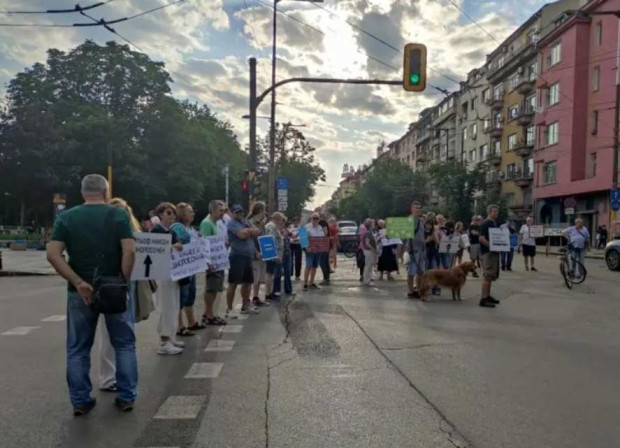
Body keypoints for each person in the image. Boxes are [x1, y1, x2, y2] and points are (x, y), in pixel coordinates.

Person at [46, 174, 137, 415]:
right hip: (113, 287)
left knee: (78, 348)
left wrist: (77, 281)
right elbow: (129, 250)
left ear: (82, 192)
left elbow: (53, 254)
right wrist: (122, 280)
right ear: (106, 192)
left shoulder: (67, 218)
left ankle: (80, 400)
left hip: (80, 290)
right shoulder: (117, 215)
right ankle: (126, 396)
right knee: (124, 344)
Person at [97, 197, 154, 395]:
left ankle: (116, 377)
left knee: (121, 335)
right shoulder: (112, 235)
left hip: (123, 285)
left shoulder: (133, 234)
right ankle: (110, 378)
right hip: (114, 286)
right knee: (114, 336)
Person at [151, 203, 185, 355]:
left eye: (173, 214)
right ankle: (164, 340)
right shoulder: (156, 231)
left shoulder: (170, 230)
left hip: (173, 273)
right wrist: (172, 247)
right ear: (160, 214)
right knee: (165, 306)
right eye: (168, 213)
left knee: (173, 305)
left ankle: (170, 336)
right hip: (162, 273)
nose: (172, 216)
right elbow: (155, 250)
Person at [171, 203, 204, 335]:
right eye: (189, 211)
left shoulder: (190, 228)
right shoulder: (177, 227)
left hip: (191, 267)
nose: (193, 214)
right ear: (182, 214)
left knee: (190, 294)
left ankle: (191, 322)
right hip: (182, 267)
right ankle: (180, 325)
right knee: (181, 295)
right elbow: (179, 243)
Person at [226, 204, 261, 316]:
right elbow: (242, 235)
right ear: (232, 213)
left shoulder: (246, 221)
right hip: (237, 256)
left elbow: (257, 231)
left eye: (240, 212)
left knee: (248, 282)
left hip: (248, 256)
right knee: (233, 283)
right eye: (236, 212)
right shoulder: (232, 223)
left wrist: (248, 231)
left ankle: (245, 305)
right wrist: (249, 231)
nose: (239, 214)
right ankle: (229, 309)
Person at [199, 199, 228, 326]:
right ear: (213, 210)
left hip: (218, 261)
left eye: (224, 210)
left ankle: (208, 313)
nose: (223, 213)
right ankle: (209, 315)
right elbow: (204, 242)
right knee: (211, 288)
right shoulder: (207, 223)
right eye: (220, 210)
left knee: (215, 288)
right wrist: (207, 262)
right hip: (212, 262)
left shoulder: (216, 223)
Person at [479, 204, 502, 308]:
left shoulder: (494, 223)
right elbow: (481, 238)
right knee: (487, 275)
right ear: (489, 212)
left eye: (497, 211)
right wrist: (491, 246)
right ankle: (483, 299)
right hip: (488, 253)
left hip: (495, 253)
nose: (496, 213)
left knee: (492, 275)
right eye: (494, 211)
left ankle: (487, 296)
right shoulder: (485, 224)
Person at [248, 202, 269, 307]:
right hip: (254, 254)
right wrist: (256, 252)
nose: (265, 212)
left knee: (260, 278)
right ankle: (248, 298)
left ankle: (256, 297)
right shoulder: (251, 223)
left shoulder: (261, 223)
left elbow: (264, 238)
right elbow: (250, 240)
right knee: (254, 277)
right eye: (264, 210)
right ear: (260, 210)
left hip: (263, 254)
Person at [406, 201, 426, 299]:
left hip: (421, 249)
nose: (418, 209)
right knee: (411, 271)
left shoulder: (421, 221)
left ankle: (418, 289)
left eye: (419, 207)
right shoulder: (410, 219)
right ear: (412, 209)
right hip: (413, 249)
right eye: (416, 208)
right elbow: (408, 235)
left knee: (421, 271)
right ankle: (410, 291)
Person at [265, 212, 285, 302]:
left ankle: (270, 292)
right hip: (272, 255)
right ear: (277, 219)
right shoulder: (271, 227)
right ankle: (268, 294)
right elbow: (270, 240)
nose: (281, 222)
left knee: (272, 274)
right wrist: (275, 255)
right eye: (281, 220)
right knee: (270, 274)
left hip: (273, 254)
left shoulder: (273, 226)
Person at [303, 212, 325, 290]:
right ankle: (305, 284)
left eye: (317, 218)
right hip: (310, 250)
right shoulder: (306, 227)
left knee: (315, 266)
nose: (315, 220)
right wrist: (306, 248)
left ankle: (311, 283)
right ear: (311, 218)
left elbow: (322, 237)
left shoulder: (320, 227)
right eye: (314, 218)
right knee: (308, 266)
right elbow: (302, 238)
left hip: (318, 250)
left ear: (319, 219)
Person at [280, 216, 294, 296]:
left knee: (288, 272)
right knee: (278, 273)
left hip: (287, 253)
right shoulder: (277, 231)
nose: (283, 224)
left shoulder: (286, 230)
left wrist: (301, 232)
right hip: (280, 254)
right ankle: (276, 290)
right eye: (282, 222)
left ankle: (288, 290)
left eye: (284, 222)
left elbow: (293, 236)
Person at [361, 219, 377, 286]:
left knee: (369, 265)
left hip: (368, 250)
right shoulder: (368, 233)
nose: (374, 225)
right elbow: (367, 243)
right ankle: (366, 281)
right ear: (370, 225)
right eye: (373, 224)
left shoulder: (369, 232)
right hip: (368, 251)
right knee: (368, 266)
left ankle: (367, 280)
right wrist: (373, 249)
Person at [318, 215, 331, 285]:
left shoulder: (322, 223)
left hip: (323, 243)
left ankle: (325, 278)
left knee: (322, 261)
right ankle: (327, 278)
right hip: (326, 243)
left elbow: (325, 232)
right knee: (325, 261)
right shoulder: (324, 222)